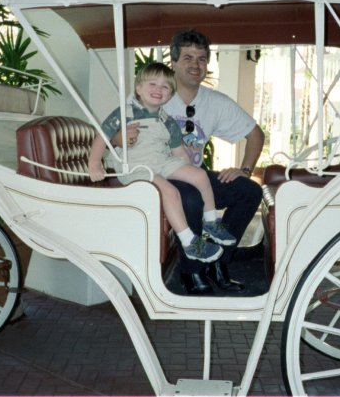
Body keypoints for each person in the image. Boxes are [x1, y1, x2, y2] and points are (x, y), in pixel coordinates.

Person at [112, 31, 265, 295]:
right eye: (187, 57)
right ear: (173, 62)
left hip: (190, 172)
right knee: (191, 196)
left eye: (202, 58)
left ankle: (218, 262)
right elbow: (115, 136)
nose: (195, 64)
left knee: (248, 190)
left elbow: (255, 134)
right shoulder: (151, 96)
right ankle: (191, 272)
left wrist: (244, 170)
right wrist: (120, 139)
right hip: (157, 175)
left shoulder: (214, 102)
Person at [88, 62, 237, 264]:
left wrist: (187, 171)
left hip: (161, 161)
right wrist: (95, 163)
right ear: (138, 88)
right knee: (169, 191)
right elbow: (102, 137)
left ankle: (211, 221)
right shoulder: (125, 113)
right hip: (136, 167)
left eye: (165, 87)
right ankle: (189, 241)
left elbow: (179, 152)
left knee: (200, 175)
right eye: (152, 84)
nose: (158, 90)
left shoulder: (166, 120)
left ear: (170, 94)